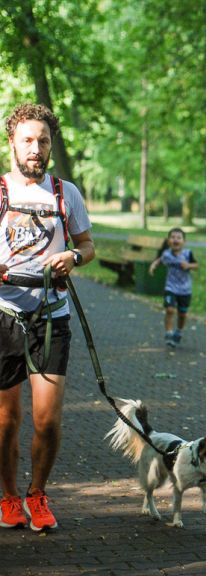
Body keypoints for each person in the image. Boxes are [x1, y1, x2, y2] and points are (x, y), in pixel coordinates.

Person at [0, 103, 95, 532]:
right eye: (27, 140)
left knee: (47, 419)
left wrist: (72, 256)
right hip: (4, 316)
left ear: (51, 146)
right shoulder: (1, 191)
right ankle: (7, 498)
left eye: (43, 141)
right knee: (5, 419)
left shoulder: (65, 192)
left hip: (52, 316)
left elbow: (88, 246)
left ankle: (37, 494)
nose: (35, 149)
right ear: (12, 144)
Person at [149, 227, 198, 348]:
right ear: (168, 240)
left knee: (182, 314)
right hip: (170, 287)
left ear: (184, 241)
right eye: (173, 237)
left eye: (179, 238)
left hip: (185, 289)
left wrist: (188, 265)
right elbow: (160, 260)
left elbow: (196, 265)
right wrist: (153, 265)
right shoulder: (166, 254)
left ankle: (179, 331)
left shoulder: (188, 254)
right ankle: (169, 333)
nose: (175, 240)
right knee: (170, 310)